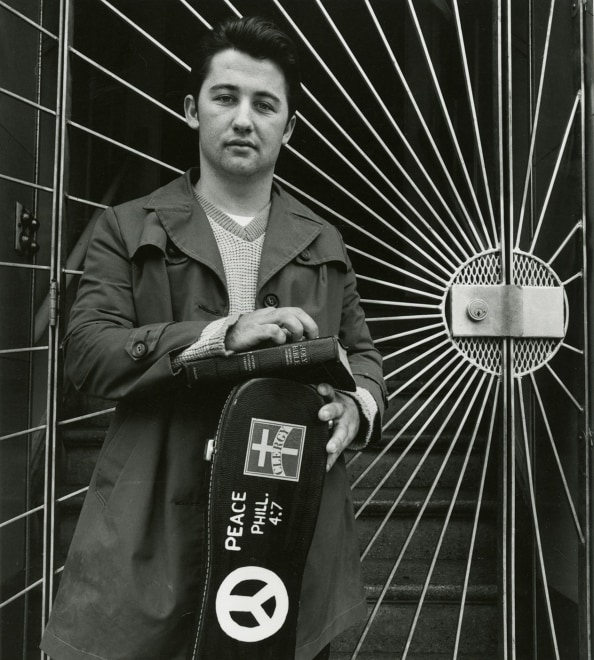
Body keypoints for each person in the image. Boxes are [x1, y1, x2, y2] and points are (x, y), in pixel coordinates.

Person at [41, 16, 386, 660]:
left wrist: (356, 405)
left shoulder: (324, 240)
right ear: (192, 109)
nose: (244, 119)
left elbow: (361, 353)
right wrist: (222, 334)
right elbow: (88, 353)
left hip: (282, 508)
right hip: (158, 510)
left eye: (265, 104)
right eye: (225, 97)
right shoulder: (126, 227)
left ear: (290, 126)